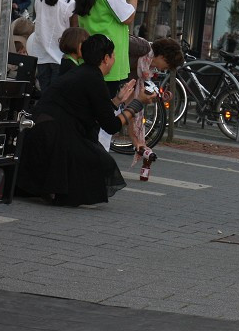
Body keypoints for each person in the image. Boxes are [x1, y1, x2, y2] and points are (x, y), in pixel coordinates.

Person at [16, 34, 155, 206]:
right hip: (54, 138)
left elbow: (92, 112)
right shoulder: (93, 78)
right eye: (113, 56)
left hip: (42, 133)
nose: (114, 60)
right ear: (105, 58)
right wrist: (136, 103)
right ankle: (55, 188)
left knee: (95, 154)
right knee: (100, 161)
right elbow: (111, 126)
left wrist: (118, 100)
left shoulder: (83, 72)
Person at [74, 0, 153, 97]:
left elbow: (116, 10)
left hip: (91, 52)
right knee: (104, 109)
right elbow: (127, 17)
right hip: (107, 56)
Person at [129, 38, 185, 164]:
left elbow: (131, 106)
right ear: (163, 57)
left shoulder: (147, 68)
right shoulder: (142, 48)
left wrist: (137, 142)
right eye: (168, 65)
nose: (165, 69)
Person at [27, 0, 78, 92]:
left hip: (40, 54)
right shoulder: (70, 4)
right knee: (55, 96)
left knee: (45, 94)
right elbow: (74, 32)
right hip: (60, 57)